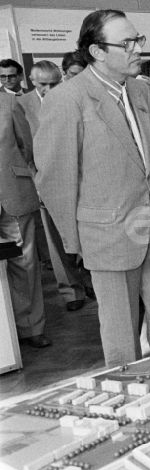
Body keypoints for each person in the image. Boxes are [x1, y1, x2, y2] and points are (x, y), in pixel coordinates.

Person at [34, 9, 150, 366]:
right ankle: (129, 394)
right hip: (107, 233)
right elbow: (54, 178)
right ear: (97, 52)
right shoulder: (67, 99)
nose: (138, 49)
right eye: (128, 43)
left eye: (138, 40)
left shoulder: (139, 90)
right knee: (122, 333)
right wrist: (75, 242)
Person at [18, 61, 93, 312]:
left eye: (54, 83)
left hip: (77, 177)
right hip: (43, 181)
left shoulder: (71, 98)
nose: (48, 89)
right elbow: (23, 150)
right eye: (42, 84)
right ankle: (71, 290)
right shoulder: (21, 105)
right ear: (31, 80)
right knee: (56, 241)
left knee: (84, 233)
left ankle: (92, 280)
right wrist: (37, 182)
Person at [0, 92, 49, 348]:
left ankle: (31, 327)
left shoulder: (9, 102)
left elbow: (26, 146)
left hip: (12, 193)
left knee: (25, 263)